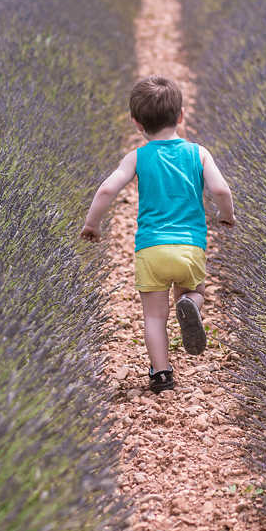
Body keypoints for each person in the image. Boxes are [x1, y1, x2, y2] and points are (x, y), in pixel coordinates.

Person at [80, 74, 235, 394]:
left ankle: (161, 374)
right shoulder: (198, 153)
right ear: (180, 116)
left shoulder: (138, 157)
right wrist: (226, 215)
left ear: (136, 123)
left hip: (151, 249)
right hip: (190, 247)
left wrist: (92, 224)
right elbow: (220, 189)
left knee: (153, 317)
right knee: (194, 291)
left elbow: (108, 189)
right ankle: (191, 302)